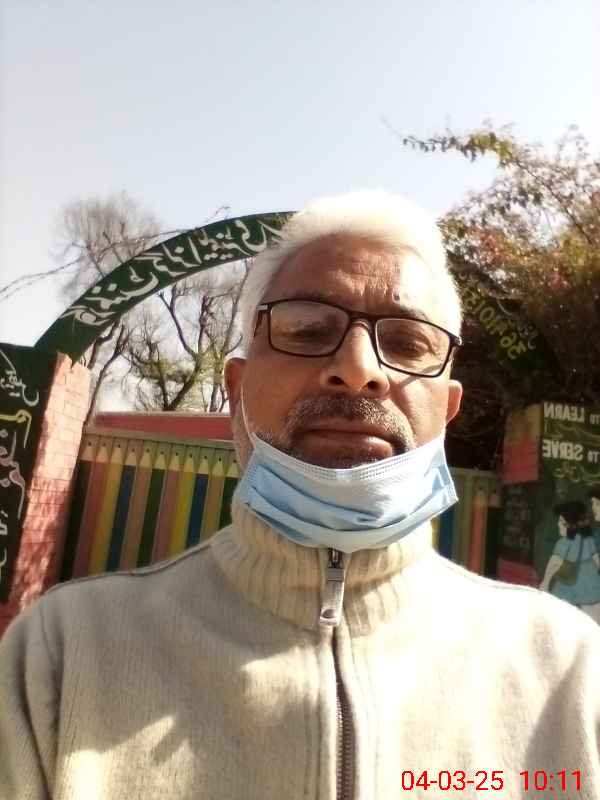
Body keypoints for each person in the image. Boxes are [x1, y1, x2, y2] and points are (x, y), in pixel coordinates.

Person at [1, 191, 599, 800]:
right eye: (308, 329)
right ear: (236, 391)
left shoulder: (570, 671)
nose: (359, 368)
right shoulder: (61, 659)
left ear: (447, 408)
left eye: (407, 343)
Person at [539, 500, 600, 623]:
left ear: (571, 525)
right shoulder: (588, 539)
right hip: (591, 582)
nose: (558, 525)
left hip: (570, 583)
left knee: (561, 616)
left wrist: (545, 582)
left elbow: (554, 562)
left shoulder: (564, 543)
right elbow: (595, 557)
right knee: (593, 620)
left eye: (562, 522)